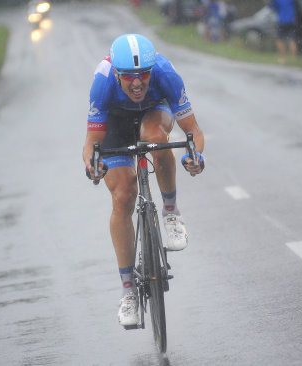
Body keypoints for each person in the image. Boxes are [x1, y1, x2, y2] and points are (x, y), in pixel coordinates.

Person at [82, 34, 205, 328]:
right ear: (116, 74)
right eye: (128, 78)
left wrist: (196, 157)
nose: (137, 84)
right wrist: (92, 165)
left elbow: (194, 132)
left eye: (142, 76)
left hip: (154, 114)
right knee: (123, 196)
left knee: (154, 139)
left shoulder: (165, 73)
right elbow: (91, 143)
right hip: (115, 123)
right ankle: (128, 293)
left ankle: (171, 212)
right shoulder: (103, 80)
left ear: (151, 71)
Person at [267, 0, 298, 64]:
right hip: (291, 20)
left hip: (282, 20)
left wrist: (269, 2)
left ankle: (283, 58)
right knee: (292, 39)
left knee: (279, 39)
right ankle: (294, 58)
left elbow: (272, 7)